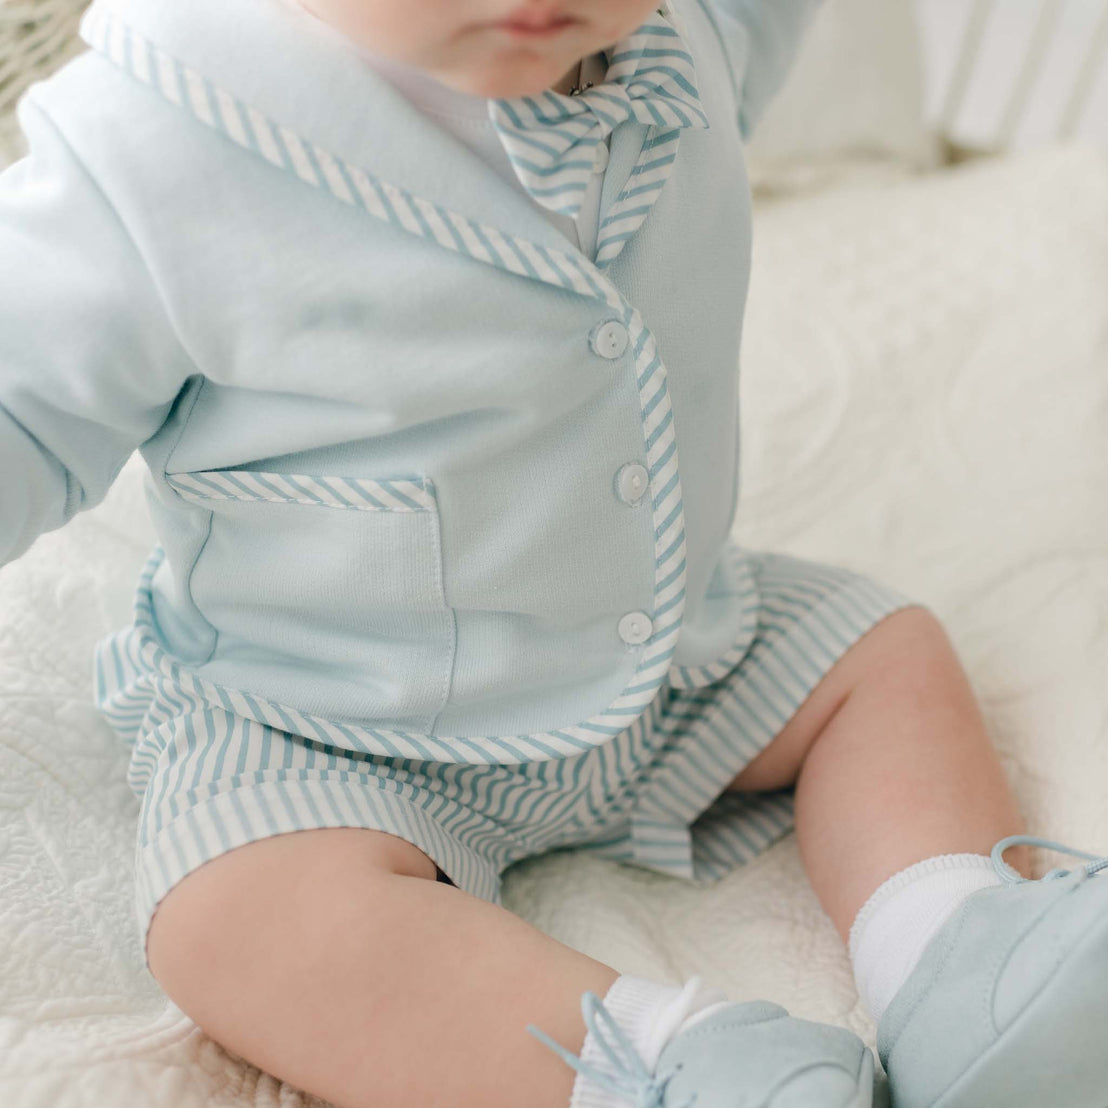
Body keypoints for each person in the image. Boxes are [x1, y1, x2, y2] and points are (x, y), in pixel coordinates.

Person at [2, 0, 1105, 1105]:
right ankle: (658, 1062)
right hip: (327, 717)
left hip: (678, 642)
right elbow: (21, 405)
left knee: (884, 656)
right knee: (230, 919)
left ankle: (956, 948)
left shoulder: (691, 33)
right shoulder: (156, 137)